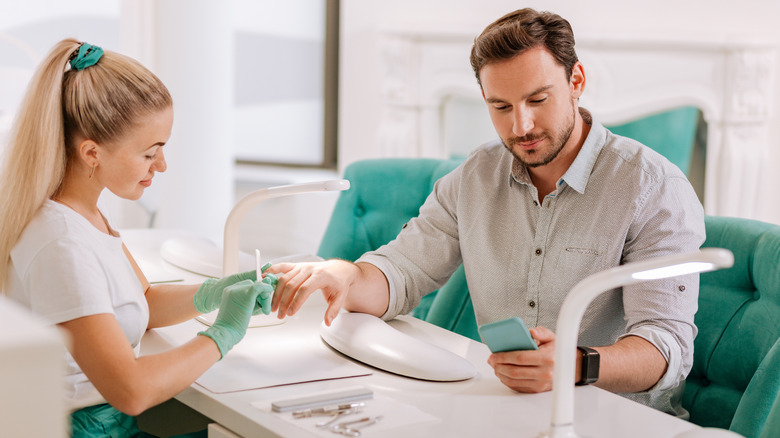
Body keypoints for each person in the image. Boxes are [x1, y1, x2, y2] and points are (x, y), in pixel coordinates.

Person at [264, 8, 705, 418]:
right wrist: (344, 276)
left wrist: (574, 364)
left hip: (617, 420)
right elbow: (402, 272)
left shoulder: (653, 188)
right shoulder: (475, 175)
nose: (521, 126)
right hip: (505, 410)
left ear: (576, 80)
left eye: (538, 100)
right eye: (501, 107)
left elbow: (666, 347)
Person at [0, 39, 276, 437]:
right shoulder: (60, 242)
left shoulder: (84, 213)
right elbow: (131, 390)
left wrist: (217, 292)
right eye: (150, 153)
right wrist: (223, 334)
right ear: (92, 153)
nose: (161, 165)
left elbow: (140, 300)